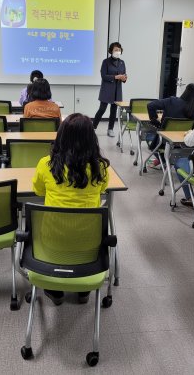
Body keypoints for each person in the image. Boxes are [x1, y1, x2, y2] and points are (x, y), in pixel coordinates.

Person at [33, 113, 110, 305]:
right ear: (92, 140)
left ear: (60, 137)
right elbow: (102, 189)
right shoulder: (100, 167)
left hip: (52, 240)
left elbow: (38, 191)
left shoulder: (46, 164)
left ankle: (55, 292)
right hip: (90, 243)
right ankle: (84, 291)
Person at [145, 83, 194, 168]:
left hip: (164, 141)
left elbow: (150, 105)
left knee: (148, 136)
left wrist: (155, 121)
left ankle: (164, 160)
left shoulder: (172, 101)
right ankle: (165, 159)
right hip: (184, 141)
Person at [92, 42, 127, 137]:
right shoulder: (106, 62)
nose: (118, 51)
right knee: (102, 109)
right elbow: (104, 76)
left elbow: (124, 75)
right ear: (111, 51)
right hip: (107, 90)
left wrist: (124, 78)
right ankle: (93, 127)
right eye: (116, 50)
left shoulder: (122, 62)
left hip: (117, 90)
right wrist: (115, 77)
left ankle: (110, 129)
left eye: (119, 50)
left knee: (113, 111)